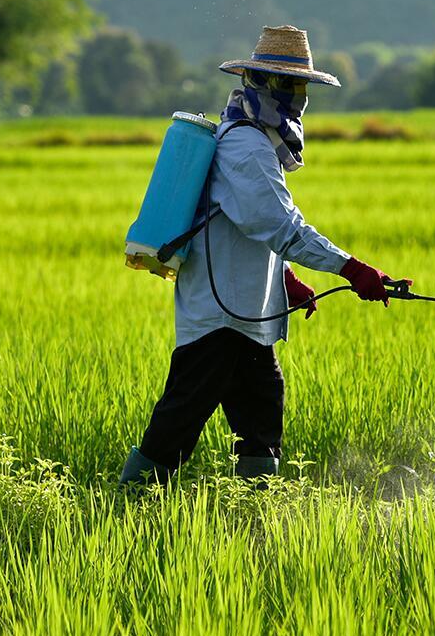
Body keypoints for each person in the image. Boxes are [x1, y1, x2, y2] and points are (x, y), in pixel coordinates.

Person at [119, 25, 405, 485]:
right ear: (263, 83)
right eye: (289, 84)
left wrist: (285, 279)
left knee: (261, 424)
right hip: (220, 314)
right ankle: (131, 502)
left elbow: (250, 222)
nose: (297, 97)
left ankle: (256, 509)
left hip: (246, 313)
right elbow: (279, 225)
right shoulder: (246, 145)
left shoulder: (258, 139)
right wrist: (352, 269)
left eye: (301, 86)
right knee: (178, 423)